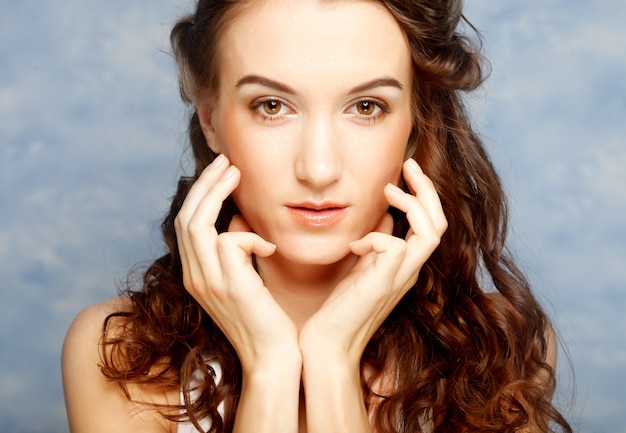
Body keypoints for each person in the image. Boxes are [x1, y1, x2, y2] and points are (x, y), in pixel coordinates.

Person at [61, 0, 573, 432]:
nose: (319, 168)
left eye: (367, 107)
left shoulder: (503, 350)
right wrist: (271, 367)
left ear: (416, 123)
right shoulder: (120, 353)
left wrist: (330, 359)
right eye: (271, 106)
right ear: (212, 121)